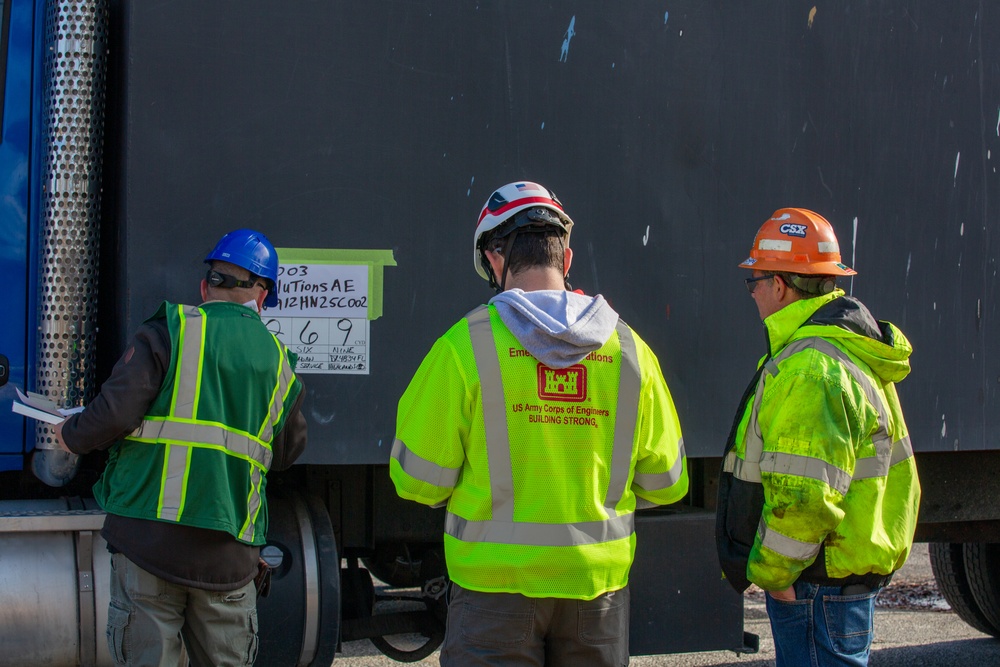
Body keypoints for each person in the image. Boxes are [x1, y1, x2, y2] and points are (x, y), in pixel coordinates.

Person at [390, 181, 688, 666]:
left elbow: (419, 481)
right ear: (566, 260)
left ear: (494, 258)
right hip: (597, 593)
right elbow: (667, 483)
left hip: (495, 591)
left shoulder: (463, 348)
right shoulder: (631, 351)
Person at [55, 228, 307, 667]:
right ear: (262, 296)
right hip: (228, 555)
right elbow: (285, 453)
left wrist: (70, 433)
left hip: (148, 543)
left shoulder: (169, 331)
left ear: (206, 286)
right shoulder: (280, 363)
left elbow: (113, 415)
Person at [715, 208, 921, 666]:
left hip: (814, 586)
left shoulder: (810, 369)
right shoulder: (843, 348)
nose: (752, 294)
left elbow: (805, 495)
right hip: (836, 580)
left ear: (780, 286)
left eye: (755, 281)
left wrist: (775, 575)